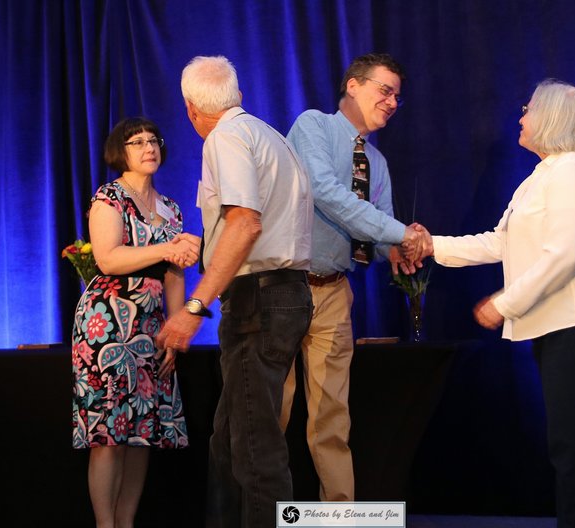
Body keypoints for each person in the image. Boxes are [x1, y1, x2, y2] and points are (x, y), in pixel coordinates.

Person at [416, 79, 575, 528]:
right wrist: (431, 246)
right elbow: (499, 242)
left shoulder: (572, 169)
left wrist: (506, 302)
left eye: (528, 109)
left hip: (572, 328)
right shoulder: (542, 174)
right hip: (551, 327)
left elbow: (565, 254)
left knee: (574, 448)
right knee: (566, 446)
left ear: (554, 117)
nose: (521, 117)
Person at [156, 55, 313, 528]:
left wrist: (194, 305)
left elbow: (245, 223)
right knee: (228, 440)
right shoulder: (269, 135)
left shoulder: (225, 137)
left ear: (190, 108)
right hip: (282, 294)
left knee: (253, 447)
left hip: (258, 299)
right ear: (238, 94)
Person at [279, 52, 424, 502]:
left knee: (332, 419)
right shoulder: (313, 127)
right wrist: (400, 232)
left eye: (398, 95)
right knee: (269, 416)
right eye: (385, 90)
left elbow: (377, 230)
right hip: (283, 288)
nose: (393, 102)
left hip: (335, 292)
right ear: (353, 85)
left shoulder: (376, 162)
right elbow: (327, 193)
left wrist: (398, 245)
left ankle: (340, 515)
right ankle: (258, 514)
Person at [71, 116, 201, 528]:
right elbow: (108, 258)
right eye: (137, 142)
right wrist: (167, 248)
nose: (148, 147)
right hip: (107, 326)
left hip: (151, 325)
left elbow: (176, 273)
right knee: (109, 434)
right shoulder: (109, 197)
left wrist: (177, 327)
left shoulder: (172, 209)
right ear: (119, 152)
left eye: (153, 140)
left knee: (144, 429)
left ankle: (126, 522)